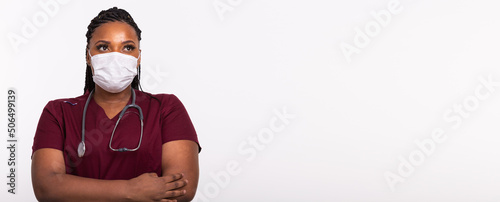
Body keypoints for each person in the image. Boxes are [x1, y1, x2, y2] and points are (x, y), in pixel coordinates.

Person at [31, 7, 201, 202]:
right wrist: (131, 190)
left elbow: (181, 190)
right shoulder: (58, 112)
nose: (115, 57)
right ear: (88, 56)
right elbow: (47, 188)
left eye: (127, 47)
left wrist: (78, 190)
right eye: (103, 47)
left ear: (138, 58)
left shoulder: (166, 108)